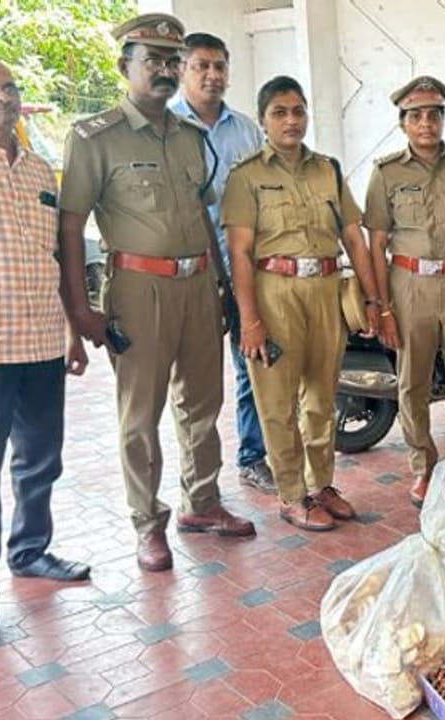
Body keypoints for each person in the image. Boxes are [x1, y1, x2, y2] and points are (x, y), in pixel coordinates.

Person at [58, 13, 256, 574]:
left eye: (173, 60)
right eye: (153, 60)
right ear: (125, 66)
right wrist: (80, 310)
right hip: (138, 290)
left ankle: (203, 502)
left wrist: (223, 288)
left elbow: (203, 216)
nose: (165, 70)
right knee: (140, 414)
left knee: (203, 403)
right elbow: (69, 227)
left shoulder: (191, 137)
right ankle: (147, 523)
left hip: (198, 286)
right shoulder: (94, 137)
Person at [0, 54, 92, 646]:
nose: (2, 98)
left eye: (9, 87)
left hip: (40, 341)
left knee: (40, 459)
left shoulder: (40, 167)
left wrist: (71, 331)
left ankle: (30, 550)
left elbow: (55, 258)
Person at [221, 76, 383, 532]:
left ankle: (321, 485)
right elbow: (238, 252)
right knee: (276, 401)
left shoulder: (327, 170)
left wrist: (373, 298)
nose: (291, 120)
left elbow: (353, 237)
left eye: (297, 111)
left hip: (326, 290)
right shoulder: (246, 176)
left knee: (322, 395)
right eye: (279, 112)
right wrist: (249, 320)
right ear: (263, 120)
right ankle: (292, 495)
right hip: (274, 292)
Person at [364, 76, 445, 506]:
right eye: (416, 116)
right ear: (403, 123)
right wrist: (381, 305)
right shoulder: (387, 173)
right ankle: (423, 467)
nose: (426, 123)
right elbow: (376, 243)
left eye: (434, 115)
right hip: (409, 285)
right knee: (412, 383)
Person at [170, 32, 274, 495]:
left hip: (244, 272)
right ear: (182, 71)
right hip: (190, 275)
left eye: (219, 66)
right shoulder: (167, 128)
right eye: (201, 66)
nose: (212, 75)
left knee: (252, 365)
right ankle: (198, 484)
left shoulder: (247, 131)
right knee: (196, 383)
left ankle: (252, 457)